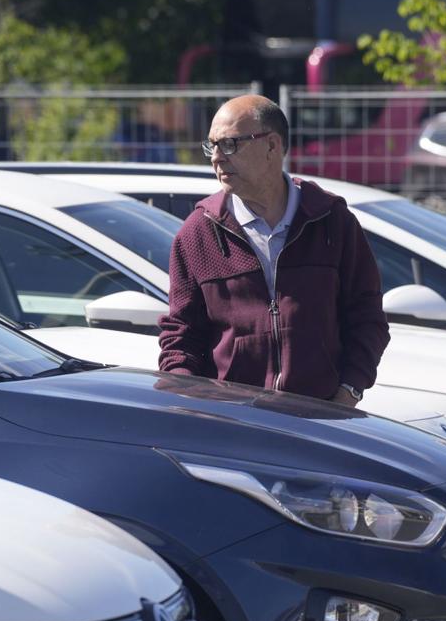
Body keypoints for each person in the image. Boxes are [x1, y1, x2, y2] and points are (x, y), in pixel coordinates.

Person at [158, 94, 389, 406]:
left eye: (229, 144)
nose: (216, 157)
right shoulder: (198, 233)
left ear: (272, 146)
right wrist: (188, 401)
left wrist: (347, 393)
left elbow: (367, 317)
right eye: (210, 146)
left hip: (323, 417)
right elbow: (180, 336)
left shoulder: (331, 221)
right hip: (234, 423)